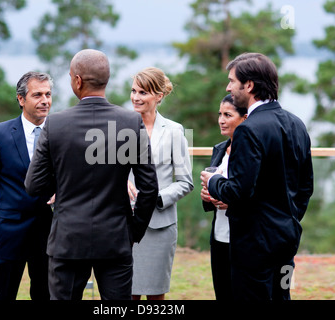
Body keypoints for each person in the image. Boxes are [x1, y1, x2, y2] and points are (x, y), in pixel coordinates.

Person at [24, 49, 159, 300]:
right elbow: (150, 187)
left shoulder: (55, 124)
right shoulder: (130, 122)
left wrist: (62, 183)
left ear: (77, 81)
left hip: (67, 238)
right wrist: (133, 230)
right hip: (116, 237)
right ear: (106, 79)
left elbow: (33, 185)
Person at [200, 53, 314, 300]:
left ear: (249, 85)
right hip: (286, 239)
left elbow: (239, 191)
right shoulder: (297, 124)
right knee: (282, 296)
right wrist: (290, 219)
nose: (228, 87)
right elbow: (305, 187)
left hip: (253, 245)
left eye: (232, 81)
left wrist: (214, 181)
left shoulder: (249, 129)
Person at [0, 71, 54, 300]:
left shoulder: (60, 131)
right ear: (21, 99)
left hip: (51, 233)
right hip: (7, 235)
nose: (45, 100)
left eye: (48, 94)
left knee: (48, 296)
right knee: (0, 296)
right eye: (37, 95)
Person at [128, 67, 194, 300]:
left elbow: (186, 182)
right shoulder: (120, 127)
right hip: (123, 224)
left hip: (159, 225)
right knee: (127, 294)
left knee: (155, 296)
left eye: (143, 92)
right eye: (134, 91)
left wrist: (155, 198)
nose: (136, 97)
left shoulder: (175, 131)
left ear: (159, 96)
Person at [201, 94, 247, 300]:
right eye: (220, 114)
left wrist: (230, 199)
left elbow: (252, 191)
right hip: (219, 236)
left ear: (244, 118)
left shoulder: (250, 152)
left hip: (243, 237)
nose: (221, 119)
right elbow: (215, 187)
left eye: (228, 115)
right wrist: (207, 196)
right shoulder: (219, 149)